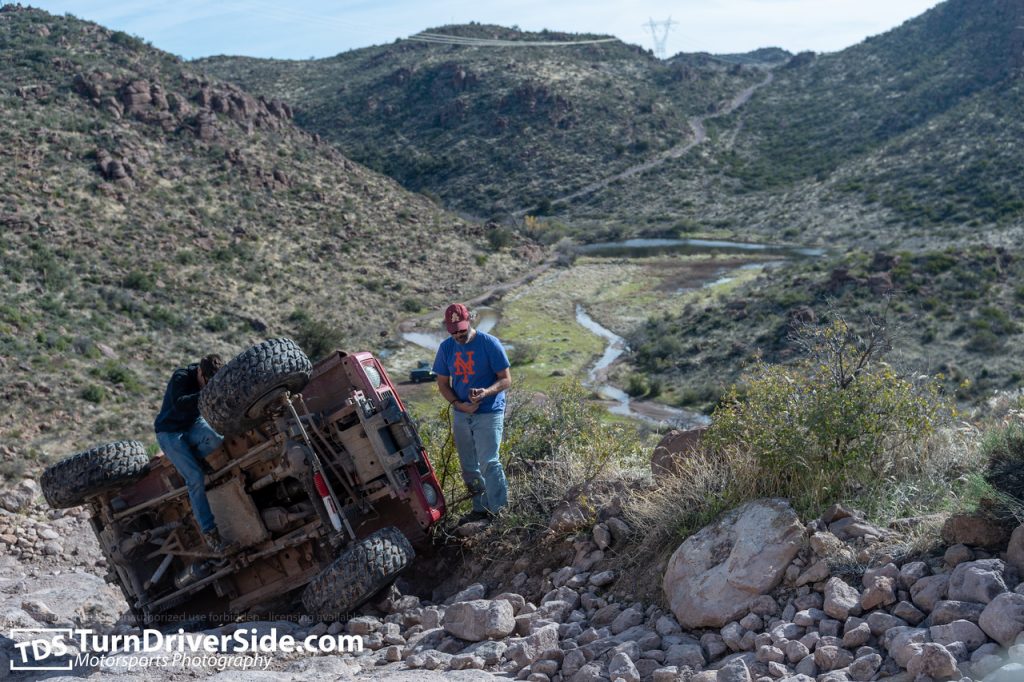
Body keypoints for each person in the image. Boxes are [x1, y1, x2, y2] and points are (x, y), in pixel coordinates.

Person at [433, 303, 512, 521]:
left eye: (462, 329)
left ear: (470, 321)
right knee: (469, 466)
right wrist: (458, 404)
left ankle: (499, 512)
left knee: (489, 462)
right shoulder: (446, 348)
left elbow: (505, 379)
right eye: (454, 331)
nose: (458, 334)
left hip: (489, 411)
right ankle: (480, 509)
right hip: (462, 413)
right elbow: (442, 384)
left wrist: (486, 392)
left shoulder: (489, 343)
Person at [154, 354, 236, 554]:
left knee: (216, 437)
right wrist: (207, 394)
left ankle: (190, 459)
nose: (205, 386)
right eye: (204, 382)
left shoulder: (211, 379)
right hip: (170, 432)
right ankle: (210, 533)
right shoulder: (181, 376)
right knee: (195, 478)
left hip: (192, 425)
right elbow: (180, 402)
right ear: (200, 372)